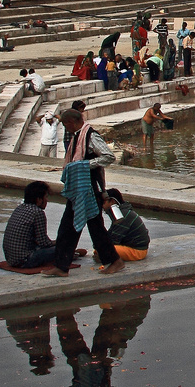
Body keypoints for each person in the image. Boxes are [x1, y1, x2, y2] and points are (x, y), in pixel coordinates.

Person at [45, 107, 123, 277]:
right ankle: (62, 265)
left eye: (66, 125)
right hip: (78, 189)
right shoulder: (77, 137)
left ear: (70, 123)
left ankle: (114, 261)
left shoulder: (90, 136)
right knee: (70, 227)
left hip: (89, 189)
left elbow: (108, 156)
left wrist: (85, 165)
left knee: (92, 228)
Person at [3, 181, 59, 269]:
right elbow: (44, 243)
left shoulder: (19, 208)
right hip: (25, 260)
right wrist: (59, 241)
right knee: (63, 247)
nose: (47, 200)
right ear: (39, 199)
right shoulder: (38, 213)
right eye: (46, 197)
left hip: (11, 259)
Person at [102, 188, 150, 262]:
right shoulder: (122, 212)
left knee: (104, 250)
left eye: (103, 202)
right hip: (131, 247)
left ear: (112, 201)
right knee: (101, 247)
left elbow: (114, 240)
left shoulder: (122, 215)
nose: (102, 206)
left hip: (138, 251)